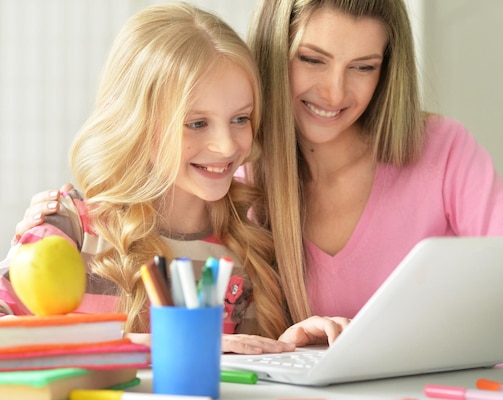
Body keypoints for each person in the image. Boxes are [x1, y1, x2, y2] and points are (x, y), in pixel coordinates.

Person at [12, 0, 503, 354]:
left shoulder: (232, 235)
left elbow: (245, 350)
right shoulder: (228, 188)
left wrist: (289, 343)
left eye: (364, 67)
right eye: (313, 59)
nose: (335, 94)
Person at [0, 2, 348, 354]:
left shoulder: (245, 247)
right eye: (197, 123)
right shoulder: (69, 228)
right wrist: (149, 345)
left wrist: (287, 347)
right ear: (137, 124)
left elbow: (239, 366)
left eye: (240, 119)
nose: (226, 145)